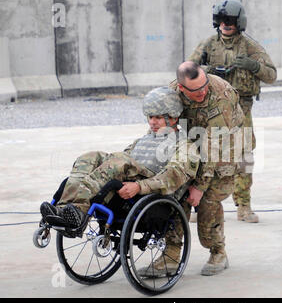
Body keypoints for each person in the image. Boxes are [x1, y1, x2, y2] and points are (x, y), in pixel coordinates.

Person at [39, 87, 201, 232]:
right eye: (150, 117)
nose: (152, 122)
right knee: (91, 157)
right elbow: (117, 161)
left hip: (150, 196)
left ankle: (79, 211)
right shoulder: (144, 140)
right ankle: (63, 209)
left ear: (173, 118)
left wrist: (139, 186)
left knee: (120, 160)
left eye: (158, 117)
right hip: (123, 187)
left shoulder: (185, 145)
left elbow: (172, 178)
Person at [188, 0, 277, 223]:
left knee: (244, 156)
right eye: (221, 21)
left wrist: (252, 65)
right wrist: (207, 70)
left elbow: (272, 75)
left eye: (230, 21)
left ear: (239, 23)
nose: (226, 25)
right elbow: (187, 70)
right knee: (200, 153)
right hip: (212, 109)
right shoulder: (208, 45)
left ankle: (244, 206)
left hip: (241, 110)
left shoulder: (250, 47)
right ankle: (192, 204)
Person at [168, 61, 245, 276]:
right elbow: (161, 126)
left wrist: (200, 187)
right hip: (191, 141)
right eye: (195, 90)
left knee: (208, 200)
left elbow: (213, 147)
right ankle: (171, 254)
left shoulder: (221, 96)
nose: (202, 92)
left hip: (224, 146)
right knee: (175, 195)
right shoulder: (172, 93)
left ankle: (218, 252)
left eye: (204, 86)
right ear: (182, 88)